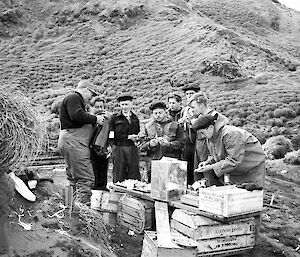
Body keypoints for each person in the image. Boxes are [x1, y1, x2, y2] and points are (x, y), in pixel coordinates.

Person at [58, 80, 105, 205]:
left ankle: (70, 209)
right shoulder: (74, 97)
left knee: (73, 179)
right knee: (86, 179)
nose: (91, 98)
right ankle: (82, 213)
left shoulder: (72, 99)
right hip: (75, 143)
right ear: (85, 90)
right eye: (91, 94)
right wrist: (96, 119)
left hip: (69, 141)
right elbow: (77, 115)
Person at [192, 114, 266, 188]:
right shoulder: (210, 138)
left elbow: (234, 159)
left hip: (251, 169)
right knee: (235, 195)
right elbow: (216, 154)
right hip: (236, 171)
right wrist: (208, 162)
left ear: (211, 127)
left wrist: (211, 167)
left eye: (202, 133)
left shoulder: (231, 134)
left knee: (250, 195)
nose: (202, 136)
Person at [188, 91, 229, 185]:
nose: (191, 110)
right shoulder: (199, 117)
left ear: (201, 105)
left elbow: (223, 126)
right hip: (200, 148)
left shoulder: (215, 115)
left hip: (211, 150)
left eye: (193, 107)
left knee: (211, 177)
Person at [139, 102, 184, 181]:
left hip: (171, 162)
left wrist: (169, 144)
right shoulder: (147, 126)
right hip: (153, 163)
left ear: (166, 112)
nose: (158, 115)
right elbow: (140, 146)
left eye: (160, 113)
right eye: (155, 113)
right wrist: (149, 144)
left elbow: (182, 143)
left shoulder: (175, 125)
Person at [110, 94, 140, 183]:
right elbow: (111, 134)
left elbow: (137, 131)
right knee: (119, 171)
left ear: (131, 104)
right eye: (122, 104)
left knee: (133, 171)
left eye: (126, 104)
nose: (124, 107)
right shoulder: (114, 118)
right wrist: (126, 137)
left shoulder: (135, 118)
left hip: (132, 148)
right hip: (119, 148)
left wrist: (137, 138)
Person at [177, 84, 200, 185]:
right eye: (187, 94)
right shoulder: (184, 110)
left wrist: (191, 122)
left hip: (197, 141)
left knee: (197, 164)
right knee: (187, 165)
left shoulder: (200, 109)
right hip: (187, 141)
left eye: (191, 93)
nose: (189, 96)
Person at [89, 96, 111, 191]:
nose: (100, 109)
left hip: (104, 149)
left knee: (103, 170)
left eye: (101, 107)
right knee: (93, 171)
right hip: (90, 149)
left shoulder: (108, 119)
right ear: (92, 108)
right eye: (97, 107)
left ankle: (102, 189)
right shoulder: (88, 119)